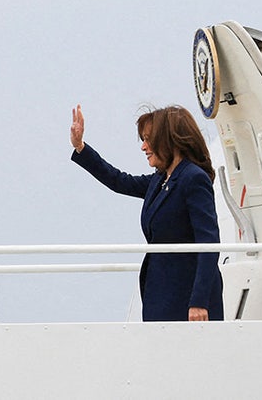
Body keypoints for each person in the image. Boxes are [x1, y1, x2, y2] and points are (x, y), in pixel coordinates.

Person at [70, 104, 224, 322]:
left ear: (169, 139)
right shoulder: (160, 180)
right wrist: (81, 148)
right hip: (160, 294)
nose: (143, 146)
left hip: (187, 299)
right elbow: (119, 181)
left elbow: (209, 243)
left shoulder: (193, 178)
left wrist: (199, 301)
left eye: (149, 138)